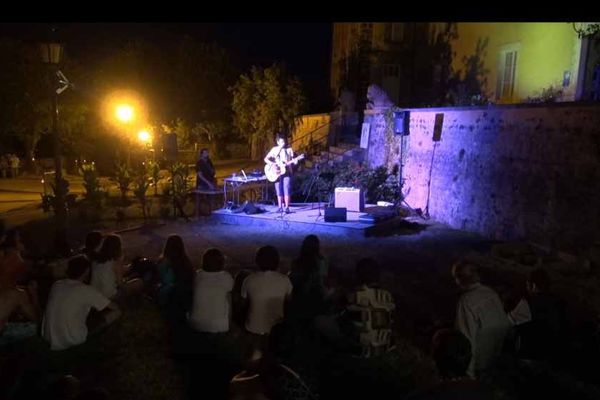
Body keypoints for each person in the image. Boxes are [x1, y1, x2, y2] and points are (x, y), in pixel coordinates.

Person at [42, 256, 121, 351]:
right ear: (86, 272)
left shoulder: (57, 285)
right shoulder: (86, 290)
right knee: (116, 313)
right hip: (73, 339)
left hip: (47, 336)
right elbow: (112, 306)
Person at [452, 260, 510, 378]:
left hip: (479, 362)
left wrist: (468, 375)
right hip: (495, 358)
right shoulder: (491, 293)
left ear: (459, 279)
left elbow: (466, 340)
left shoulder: (466, 301)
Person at [188, 248, 234, 333]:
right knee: (228, 296)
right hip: (220, 326)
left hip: (196, 323)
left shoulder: (198, 275)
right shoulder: (226, 277)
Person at [264, 134, 297, 214]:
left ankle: (287, 208)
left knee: (286, 188)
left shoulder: (289, 150)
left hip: (287, 172)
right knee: (279, 190)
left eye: (284, 141)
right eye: (281, 141)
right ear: (278, 142)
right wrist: (273, 164)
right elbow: (266, 159)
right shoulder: (274, 150)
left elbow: (292, 161)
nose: (283, 143)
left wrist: (294, 161)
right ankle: (280, 207)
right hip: (277, 172)